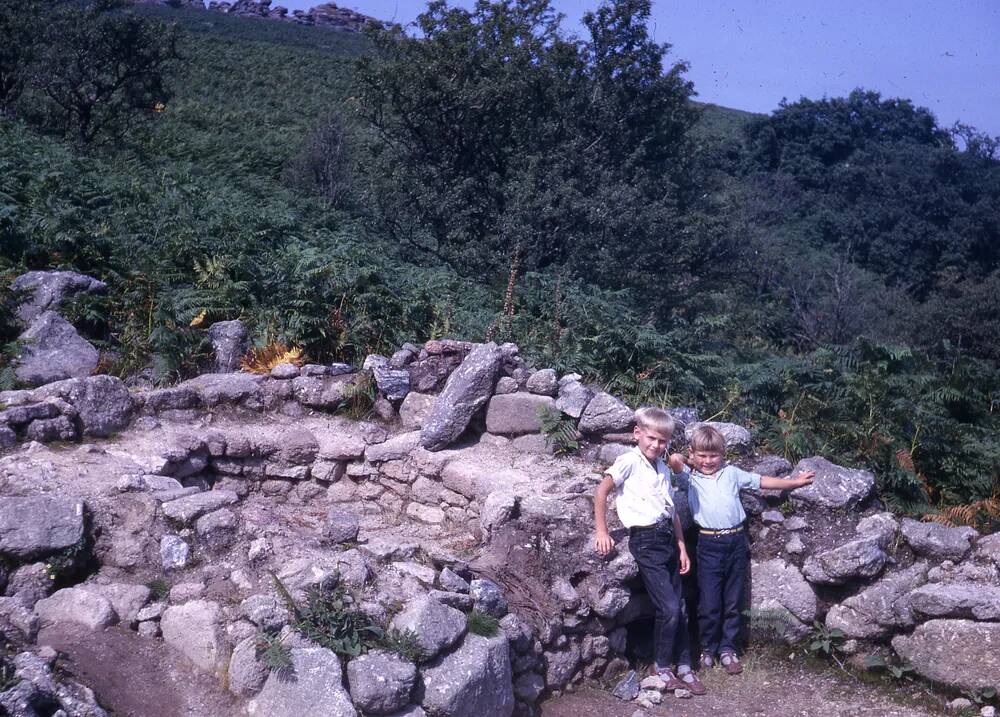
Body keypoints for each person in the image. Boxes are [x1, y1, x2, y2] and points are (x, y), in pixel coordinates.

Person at [668, 425, 815, 675]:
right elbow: (674, 460)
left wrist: (793, 483)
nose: (708, 461)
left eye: (713, 455)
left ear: (723, 454)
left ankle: (728, 649)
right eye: (702, 455)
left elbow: (762, 481)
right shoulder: (690, 479)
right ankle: (707, 648)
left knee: (733, 600)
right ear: (693, 454)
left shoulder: (732, 473)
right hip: (708, 544)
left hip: (736, 541)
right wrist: (690, 461)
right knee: (710, 601)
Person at [594, 407, 706, 695]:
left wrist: (682, 546)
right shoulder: (628, 461)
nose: (656, 445)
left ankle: (684, 666)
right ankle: (661, 665)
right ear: (637, 434)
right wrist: (603, 531)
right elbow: (602, 491)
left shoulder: (663, 468)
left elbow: (673, 512)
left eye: (663, 441)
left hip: (667, 538)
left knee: (680, 607)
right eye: (652, 438)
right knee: (667, 607)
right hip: (645, 540)